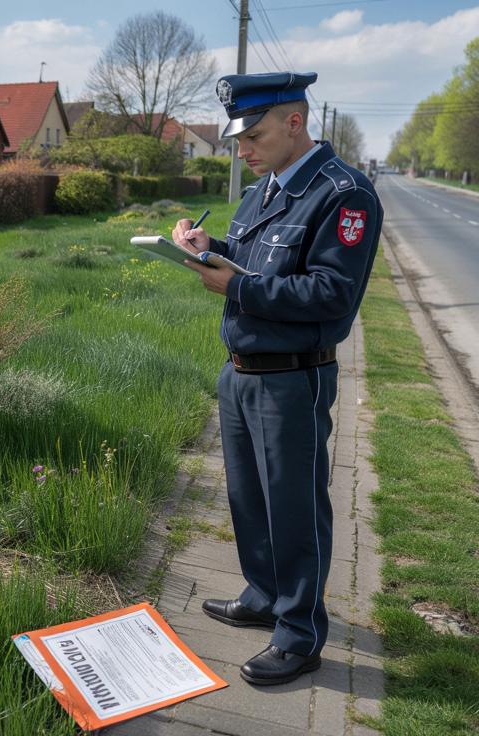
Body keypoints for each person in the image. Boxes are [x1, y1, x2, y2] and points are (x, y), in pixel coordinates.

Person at [170, 71, 382, 686]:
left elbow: (331, 294)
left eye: (254, 135)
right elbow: (250, 258)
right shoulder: (263, 190)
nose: (243, 150)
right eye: (239, 138)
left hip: (293, 377)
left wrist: (236, 285)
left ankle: (299, 635)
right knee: (248, 499)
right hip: (240, 371)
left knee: (294, 508)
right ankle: (263, 596)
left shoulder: (345, 195)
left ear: (296, 122)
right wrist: (205, 246)